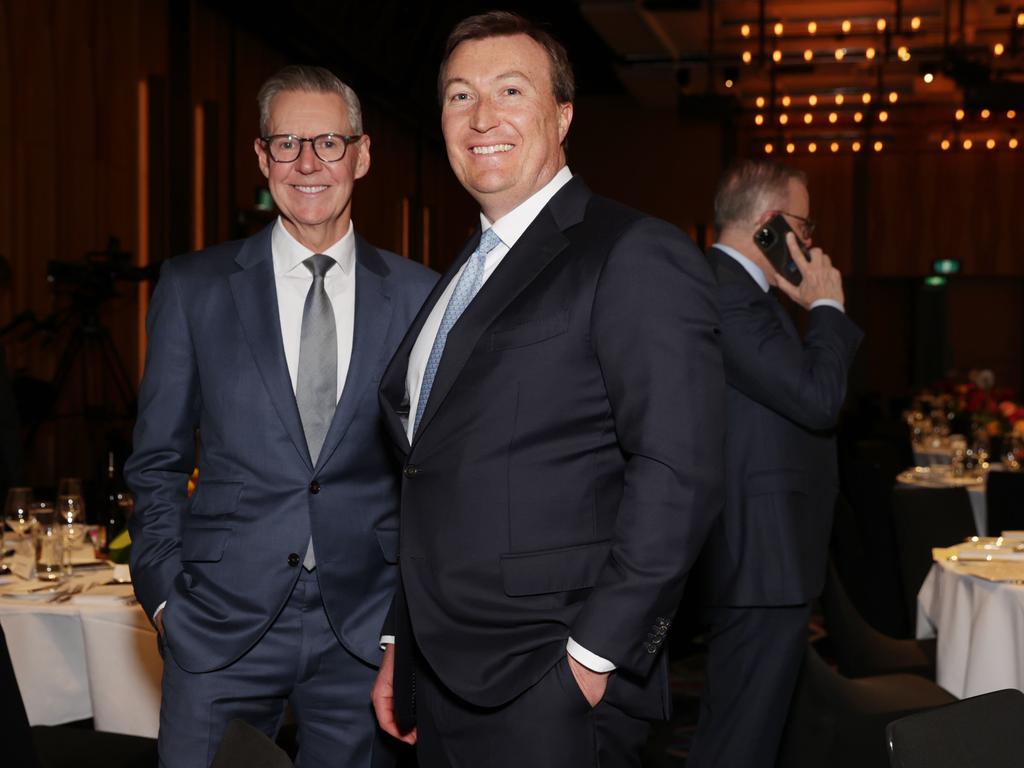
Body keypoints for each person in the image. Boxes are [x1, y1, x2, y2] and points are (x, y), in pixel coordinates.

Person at [371, 11, 725, 767]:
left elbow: (679, 472)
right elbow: (428, 474)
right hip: (441, 674)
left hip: (548, 680)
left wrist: (595, 656)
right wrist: (404, 642)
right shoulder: (463, 273)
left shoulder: (631, 253)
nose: (482, 117)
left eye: (509, 90)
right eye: (460, 96)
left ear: (562, 115)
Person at [125, 65, 436, 767]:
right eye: (287, 144)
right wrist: (168, 600)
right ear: (262, 159)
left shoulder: (422, 297)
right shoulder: (193, 288)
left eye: (327, 142)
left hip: (365, 633)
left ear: (361, 154)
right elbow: (156, 461)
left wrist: (404, 627)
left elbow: (434, 474)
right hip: (218, 624)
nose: (308, 164)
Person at [686, 160, 863, 768]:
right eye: (803, 225)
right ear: (769, 224)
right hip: (759, 557)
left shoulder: (744, 293)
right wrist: (829, 310)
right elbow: (818, 400)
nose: (809, 242)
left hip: (768, 556)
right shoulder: (727, 294)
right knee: (739, 738)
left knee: (753, 731)